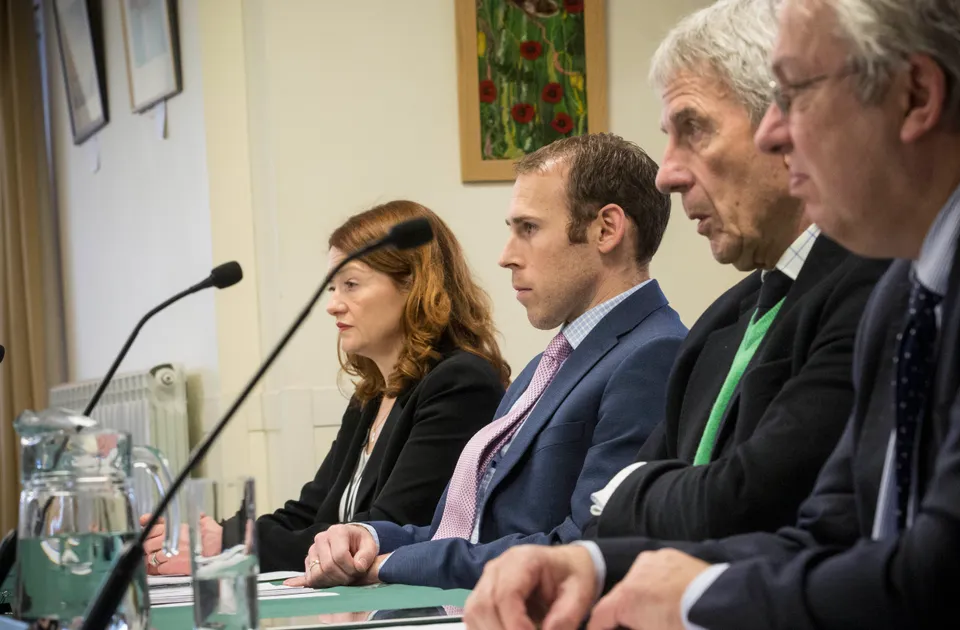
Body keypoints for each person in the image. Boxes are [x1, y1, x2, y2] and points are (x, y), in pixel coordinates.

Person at [463, 0, 960, 628]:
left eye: (796, 93)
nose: (776, 131)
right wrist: (595, 562)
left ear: (916, 95)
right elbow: (831, 534)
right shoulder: (915, 276)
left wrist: (699, 595)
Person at [285, 132, 687, 591]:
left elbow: (586, 549)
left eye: (528, 229)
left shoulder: (652, 354)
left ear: (606, 230)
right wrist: (368, 538)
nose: (505, 256)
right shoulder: (544, 367)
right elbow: (459, 532)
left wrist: (390, 564)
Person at [584, 0, 888, 544]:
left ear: (785, 125)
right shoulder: (721, 319)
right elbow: (604, 521)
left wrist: (634, 493)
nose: (667, 175)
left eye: (693, 129)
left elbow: (748, 505)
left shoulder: (871, 285)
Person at [143, 200, 509, 574]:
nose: (333, 305)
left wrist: (230, 546)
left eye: (350, 284)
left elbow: (384, 529)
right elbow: (310, 511)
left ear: (414, 284)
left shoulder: (460, 384)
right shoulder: (371, 396)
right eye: (332, 287)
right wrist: (214, 534)